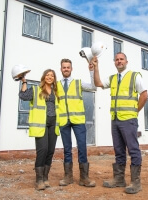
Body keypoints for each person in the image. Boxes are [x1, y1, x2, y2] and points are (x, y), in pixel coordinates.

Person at [91, 52, 148, 194]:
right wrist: (95, 68)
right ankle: (119, 179)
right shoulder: (113, 78)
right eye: (116, 59)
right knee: (119, 150)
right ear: (114, 62)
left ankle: (136, 182)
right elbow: (98, 83)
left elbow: (144, 95)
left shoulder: (135, 76)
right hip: (115, 119)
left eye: (121, 59)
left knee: (133, 150)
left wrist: (135, 111)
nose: (119, 61)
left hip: (129, 119)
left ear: (126, 61)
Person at [57, 58, 96, 187]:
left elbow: (93, 87)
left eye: (68, 67)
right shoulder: (56, 85)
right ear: (61, 69)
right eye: (64, 67)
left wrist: (91, 71)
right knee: (67, 149)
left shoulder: (78, 83)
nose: (66, 69)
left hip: (78, 121)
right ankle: (68, 177)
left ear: (71, 69)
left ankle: (84, 178)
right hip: (63, 121)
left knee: (82, 148)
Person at [19, 69, 60, 190]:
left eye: (52, 75)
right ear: (44, 77)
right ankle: (39, 179)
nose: (50, 77)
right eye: (47, 75)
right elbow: (23, 96)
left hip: (54, 123)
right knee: (43, 150)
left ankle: (45, 177)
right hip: (41, 124)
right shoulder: (37, 89)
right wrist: (24, 82)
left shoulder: (56, 91)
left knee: (50, 151)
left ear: (54, 78)